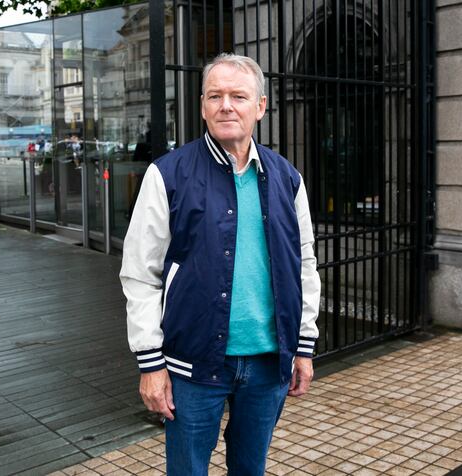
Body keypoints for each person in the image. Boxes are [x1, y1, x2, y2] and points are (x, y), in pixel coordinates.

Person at [119, 53, 320, 475]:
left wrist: (302, 345)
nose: (226, 105)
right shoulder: (168, 174)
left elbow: (303, 264)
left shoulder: (287, 177)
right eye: (216, 96)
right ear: (203, 106)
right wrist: (150, 363)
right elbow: (141, 273)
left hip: (269, 364)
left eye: (238, 96)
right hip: (193, 364)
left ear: (260, 106)